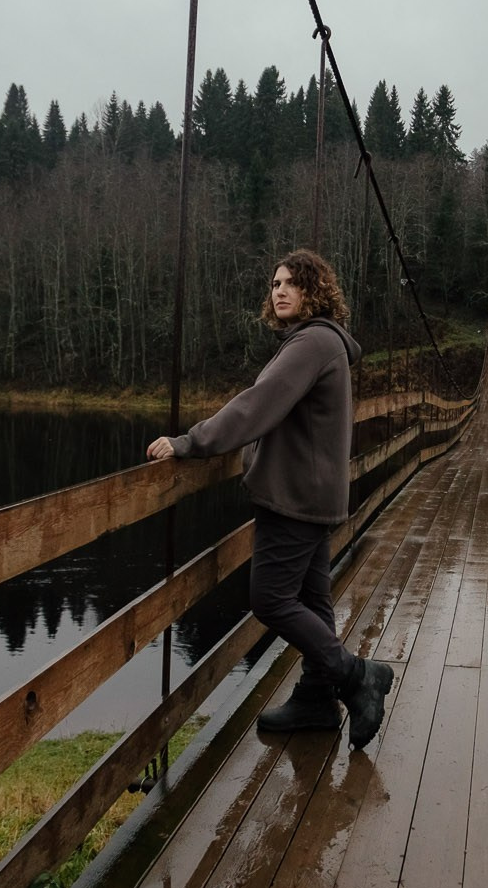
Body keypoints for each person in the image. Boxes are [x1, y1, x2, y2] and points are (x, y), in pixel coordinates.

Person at [146, 249, 394, 747]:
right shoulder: (319, 344)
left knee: (270, 598)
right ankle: (316, 701)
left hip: (295, 497)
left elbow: (254, 407)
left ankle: (356, 677)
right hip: (312, 492)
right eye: (274, 283)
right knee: (312, 600)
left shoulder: (312, 343)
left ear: (314, 292)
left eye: (291, 283)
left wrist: (189, 442)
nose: (278, 290)